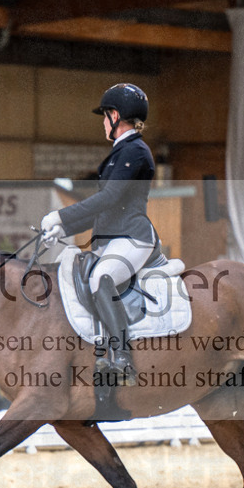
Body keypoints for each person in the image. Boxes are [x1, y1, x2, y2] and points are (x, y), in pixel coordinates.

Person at [40, 83, 158, 382]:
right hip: (113, 238)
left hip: (133, 238)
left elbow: (108, 199)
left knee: (100, 278)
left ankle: (123, 358)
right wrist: (62, 228)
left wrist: (60, 214)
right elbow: (103, 211)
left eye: (105, 117)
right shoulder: (122, 153)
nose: (103, 123)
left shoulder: (136, 152)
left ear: (115, 116)